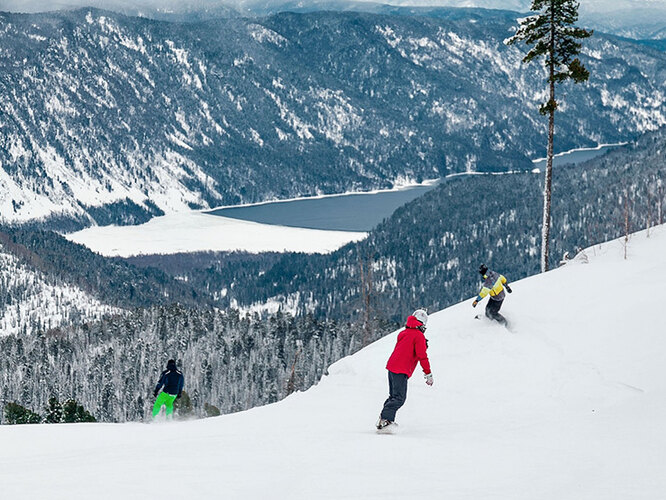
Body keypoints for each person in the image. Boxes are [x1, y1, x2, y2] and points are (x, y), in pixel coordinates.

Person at [376, 309, 433, 430]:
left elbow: (406, 349)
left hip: (392, 367)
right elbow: (422, 356)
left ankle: (385, 419)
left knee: (394, 396)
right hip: (401, 369)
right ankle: (385, 420)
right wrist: (428, 373)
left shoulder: (403, 332)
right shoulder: (419, 336)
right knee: (399, 398)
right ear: (423, 324)